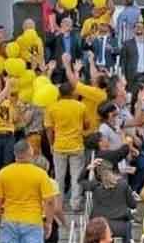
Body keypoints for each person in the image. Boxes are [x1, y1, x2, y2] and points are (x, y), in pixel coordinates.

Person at [0, 140, 59, 242]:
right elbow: (49, 201)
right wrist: (49, 223)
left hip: (9, 220)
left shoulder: (4, 173)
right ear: (30, 152)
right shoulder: (40, 174)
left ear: (14, 153)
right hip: (33, 221)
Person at [45, 82, 87, 212]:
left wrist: (51, 143)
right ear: (72, 93)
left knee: (59, 177)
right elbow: (86, 124)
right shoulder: (80, 106)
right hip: (77, 145)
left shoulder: (52, 108)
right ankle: (75, 204)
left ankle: (59, 204)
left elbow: (49, 129)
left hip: (59, 145)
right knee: (76, 176)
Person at [79, 160, 136, 243]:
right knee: (128, 226)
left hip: (100, 228)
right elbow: (133, 205)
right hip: (120, 227)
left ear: (97, 174)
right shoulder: (123, 184)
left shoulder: (94, 186)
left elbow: (80, 180)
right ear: (112, 170)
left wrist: (88, 168)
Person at [120, 21, 144, 90]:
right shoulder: (127, 44)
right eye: (137, 27)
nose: (139, 28)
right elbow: (123, 62)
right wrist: (123, 76)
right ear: (133, 29)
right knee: (131, 95)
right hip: (131, 77)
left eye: (141, 27)